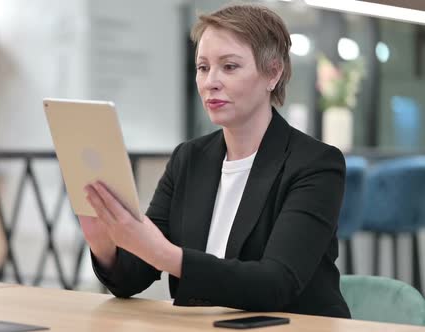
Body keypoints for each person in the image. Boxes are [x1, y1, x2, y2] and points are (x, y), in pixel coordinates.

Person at [79, 4, 351, 318]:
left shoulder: (316, 164)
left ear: (273, 73)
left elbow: (275, 284)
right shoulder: (189, 158)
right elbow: (133, 277)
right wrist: (103, 244)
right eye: (203, 67)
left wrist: (166, 255)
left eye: (230, 67)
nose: (211, 81)